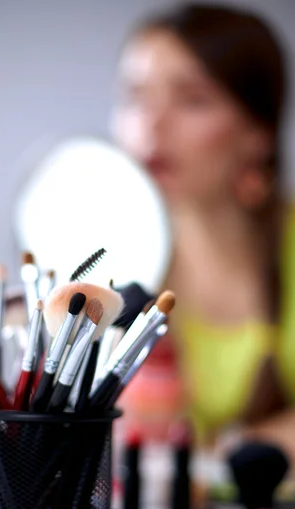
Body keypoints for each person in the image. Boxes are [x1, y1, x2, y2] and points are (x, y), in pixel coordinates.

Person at [111, 3, 295, 460]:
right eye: (135, 96)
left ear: (258, 131)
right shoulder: (112, 261)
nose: (150, 125)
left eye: (192, 99)